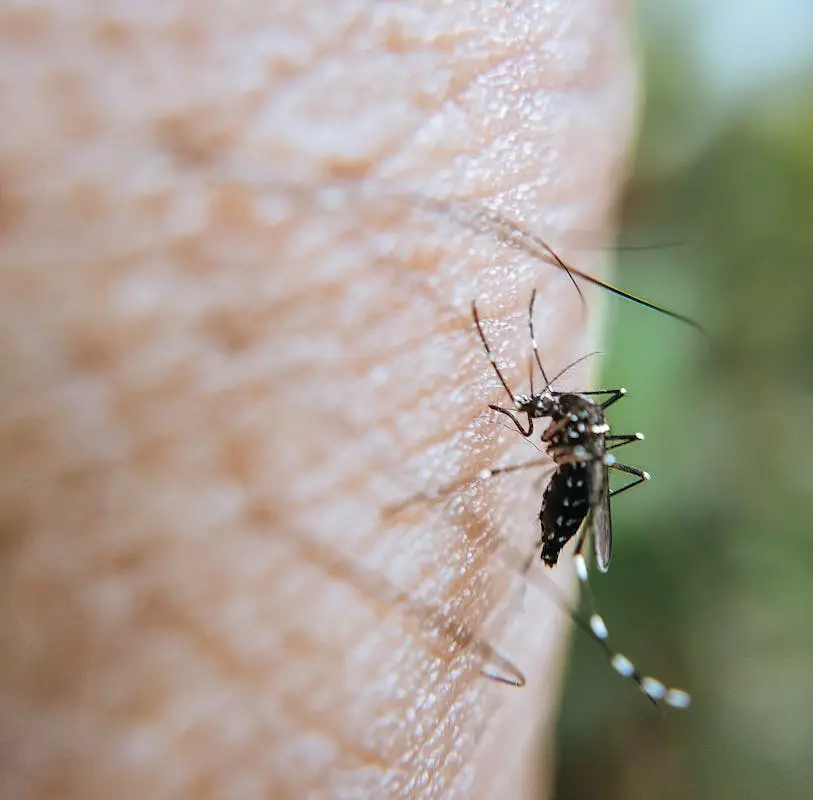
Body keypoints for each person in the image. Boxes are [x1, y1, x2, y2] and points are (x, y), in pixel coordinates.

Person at [0, 1, 636, 796]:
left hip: (579, 473)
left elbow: (554, 434)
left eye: (553, 417)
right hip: (581, 462)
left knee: (557, 465)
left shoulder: (572, 443)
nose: (543, 414)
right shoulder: (575, 418)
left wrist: (519, 464)